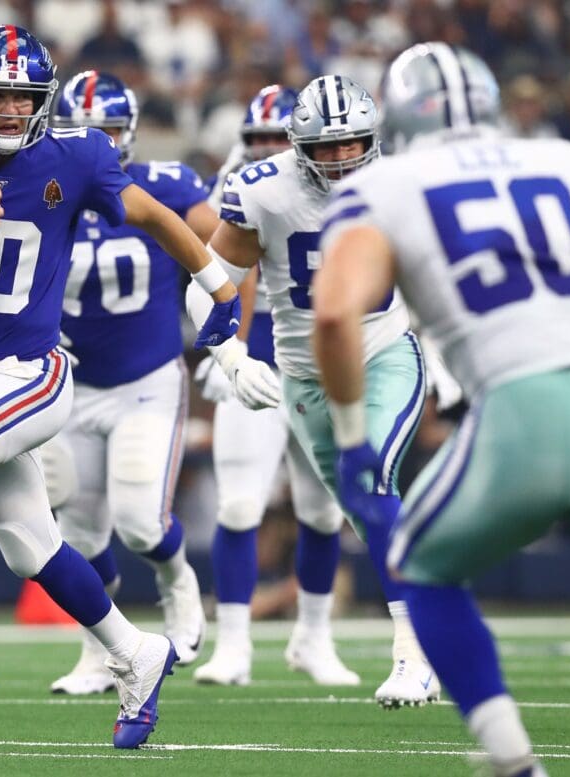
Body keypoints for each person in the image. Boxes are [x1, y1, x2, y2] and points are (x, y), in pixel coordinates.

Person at [312, 41, 570, 777]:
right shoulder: (566, 161)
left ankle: (512, 759)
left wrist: (350, 438)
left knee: (417, 563)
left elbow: (338, 318)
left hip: (526, 401)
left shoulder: (387, 185)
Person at [0, 25, 241, 749]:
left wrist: (221, 291)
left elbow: (157, 216)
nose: (7, 112)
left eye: (20, 97)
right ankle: (135, 651)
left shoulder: (78, 155)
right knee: (34, 547)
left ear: (43, 100)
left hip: (33, 372)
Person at [186, 74, 438, 706]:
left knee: (375, 477)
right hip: (301, 376)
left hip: (381, 353)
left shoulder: (401, 187)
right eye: (324, 147)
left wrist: (450, 348)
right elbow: (208, 281)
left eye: (350, 144)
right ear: (299, 146)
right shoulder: (263, 191)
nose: (339, 158)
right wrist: (230, 351)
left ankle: (415, 650)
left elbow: (437, 273)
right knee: (359, 505)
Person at [39, 70, 215, 695]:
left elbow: (223, 240)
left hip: (145, 380)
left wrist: (228, 331)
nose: (96, 143)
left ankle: (178, 585)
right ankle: (99, 650)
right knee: (80, 536)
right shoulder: (44, 192)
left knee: (141, 522)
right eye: (82, 131)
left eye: (107, 131)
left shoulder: (163, 184)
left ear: (130, 133)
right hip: (72, 389)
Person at [194, 84, 360, 687]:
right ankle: (233, 643)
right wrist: (227, 350)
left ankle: (313, 638)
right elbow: (220, 275)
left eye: (274, 137)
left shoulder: (352, 183)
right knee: (239, 502)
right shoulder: (244, 186)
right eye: (256, 139)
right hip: (260, 348)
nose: (264, 148)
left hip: (321, 350)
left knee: (322, 510)